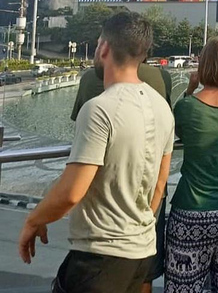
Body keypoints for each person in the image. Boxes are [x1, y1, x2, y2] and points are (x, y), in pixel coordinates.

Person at [18, 12, 175, 293]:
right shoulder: (162, 108)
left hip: (99, 259)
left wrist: (34, 219)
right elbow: (160, 186)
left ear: (104, 47)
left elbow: (71, 193)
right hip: (141, 254)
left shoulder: (99, 109)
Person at [71, 56, 174, 293]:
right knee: (143, 274)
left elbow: (80, 129)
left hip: (97, 190)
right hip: (149, 192)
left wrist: (37, 218)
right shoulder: (162, 78)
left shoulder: (89, 79)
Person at [164, 36, 218, 292]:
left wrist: (190, 89)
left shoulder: (187, 106)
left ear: (203, 66)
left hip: (192, 213)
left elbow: (173, 128)